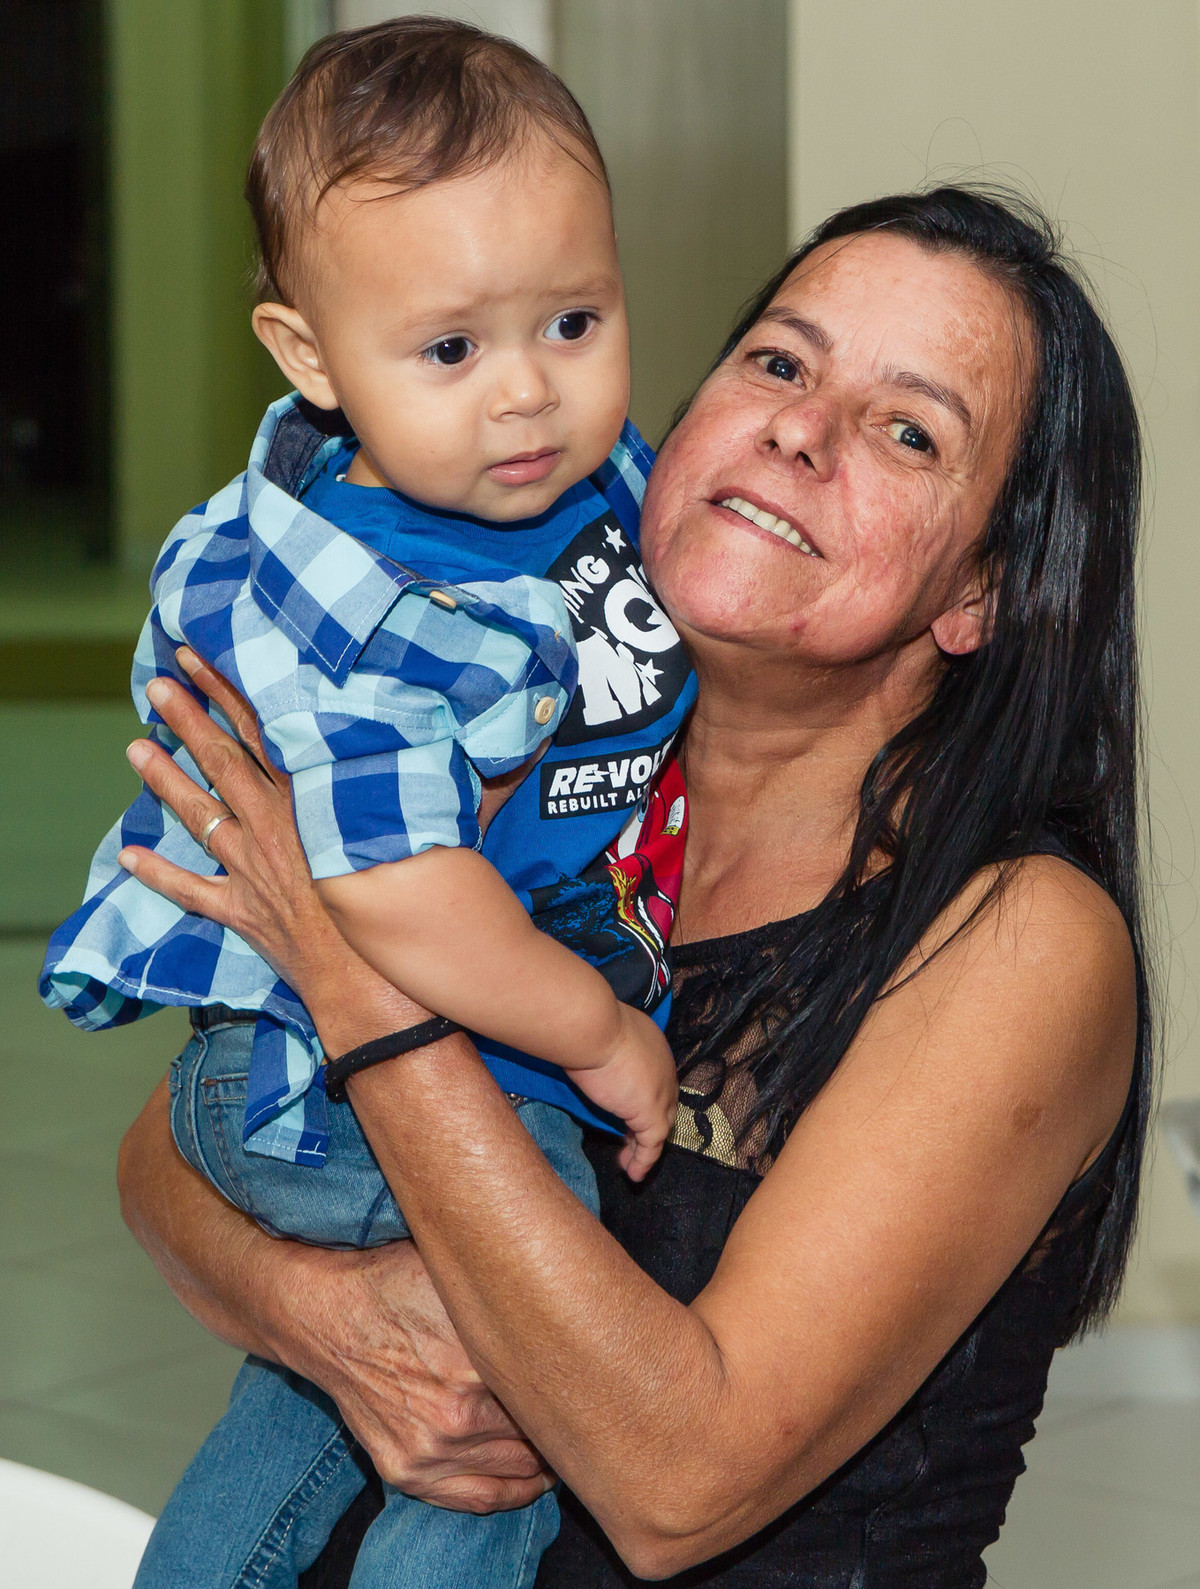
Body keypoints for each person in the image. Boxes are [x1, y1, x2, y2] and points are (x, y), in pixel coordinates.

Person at [116, 187, 1148, 1588]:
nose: (799, 427)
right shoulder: (534, 747)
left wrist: (357, 966)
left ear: (984, 588)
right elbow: (173, 1149)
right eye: (780, 363)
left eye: (908, 431)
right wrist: (326, 1311)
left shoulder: (1021, 938)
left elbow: (679, 1477)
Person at [41, 20, 695, 1589]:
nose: (529, 395)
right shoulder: (361, 597)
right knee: (504, 1418)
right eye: (453, 350)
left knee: (306, 1414)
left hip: (380, 1041)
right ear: (313, 357)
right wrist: (600, 1031)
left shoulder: (576, 492)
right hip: (320, 1069)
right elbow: (399, 895)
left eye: (575, 320)